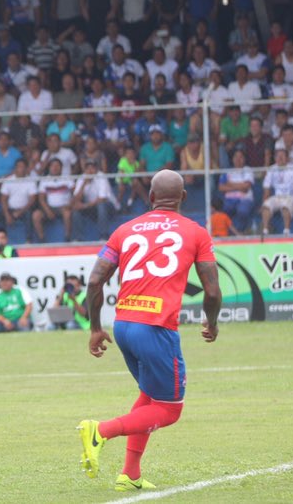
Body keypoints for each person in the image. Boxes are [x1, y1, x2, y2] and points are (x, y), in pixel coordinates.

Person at [79, 170, 221, 492]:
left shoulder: (124, 230)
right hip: (155, 328)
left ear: (151, 198)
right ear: (183, 198)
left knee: (149, 396)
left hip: (124, 326)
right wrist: (211, 323)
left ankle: (129, 473)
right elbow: (211, 292)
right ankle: (100, 430)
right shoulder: (196, 232)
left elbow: (93, 281)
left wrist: (95, 328)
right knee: (169, 409)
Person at [260, 148, 293, 236]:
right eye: (278, 156)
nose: (280, 158)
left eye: (282, 156)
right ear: (275, 158)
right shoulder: (271, 169)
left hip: (291, 196)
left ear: (287, 158)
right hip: (277, 197)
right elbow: (267, 189)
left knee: (285, 207)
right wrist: (264, 202)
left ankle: (286, 231)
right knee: (266, 206)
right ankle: (265, 231)